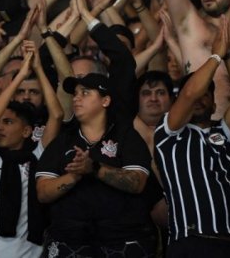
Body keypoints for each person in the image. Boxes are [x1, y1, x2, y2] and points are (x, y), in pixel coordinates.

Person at [154, 19, 230, 256]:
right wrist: (215, 57)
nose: (198, 99)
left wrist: (227, 55)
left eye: (205, 95)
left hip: (229, 243)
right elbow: (189, 93)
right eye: (195, 94)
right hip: (189, 242)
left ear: (214, 102)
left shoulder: (223, 133)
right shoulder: (169, 134)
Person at [36, 73, 155, 257]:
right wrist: (74, 176)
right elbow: (42, 193)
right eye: (75, 94)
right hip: (69, 241)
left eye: (85, 93)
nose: (76, 98)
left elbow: (137, 183)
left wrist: (95, 168)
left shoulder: (126, 136)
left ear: (105, 100)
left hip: (121, 240)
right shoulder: (62, 141)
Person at [0, 47, 62, 257]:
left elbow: (57, 115)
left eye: (9, 122)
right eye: (1, 122)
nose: (0, 127)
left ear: (26, 131)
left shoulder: (38, 156)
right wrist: (20, 75)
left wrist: (38, 69)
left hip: (30, 253)